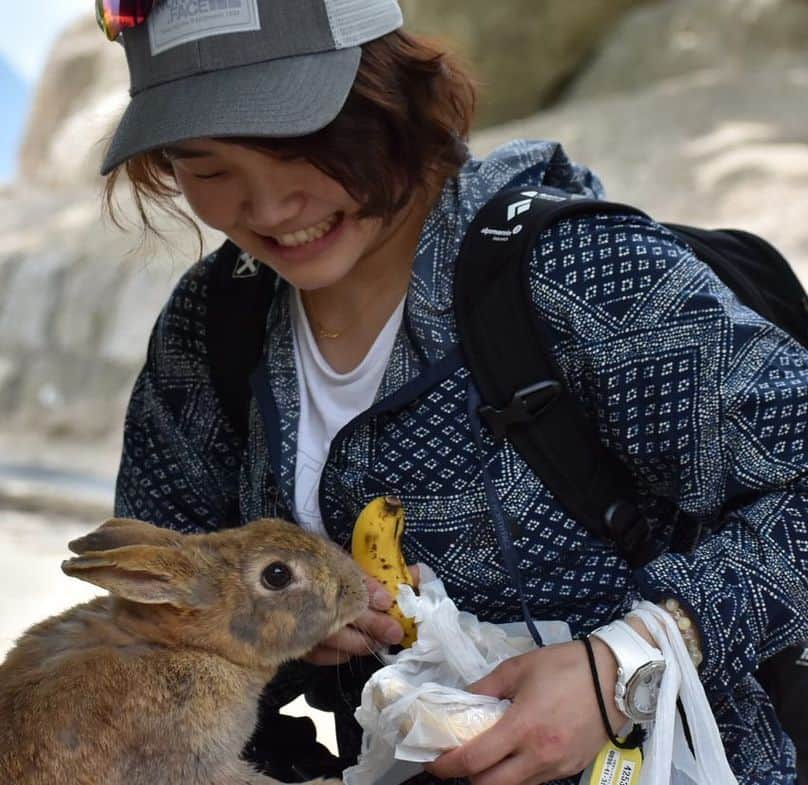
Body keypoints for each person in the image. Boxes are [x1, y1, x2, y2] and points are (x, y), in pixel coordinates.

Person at [95, 1, 808, 783]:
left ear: (388, 94)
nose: (267, 209)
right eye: (209, 169)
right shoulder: (215, 326)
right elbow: (147, 639)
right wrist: (276, 642)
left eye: (296, 147)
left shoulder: (573, 273)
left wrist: (626, 663)